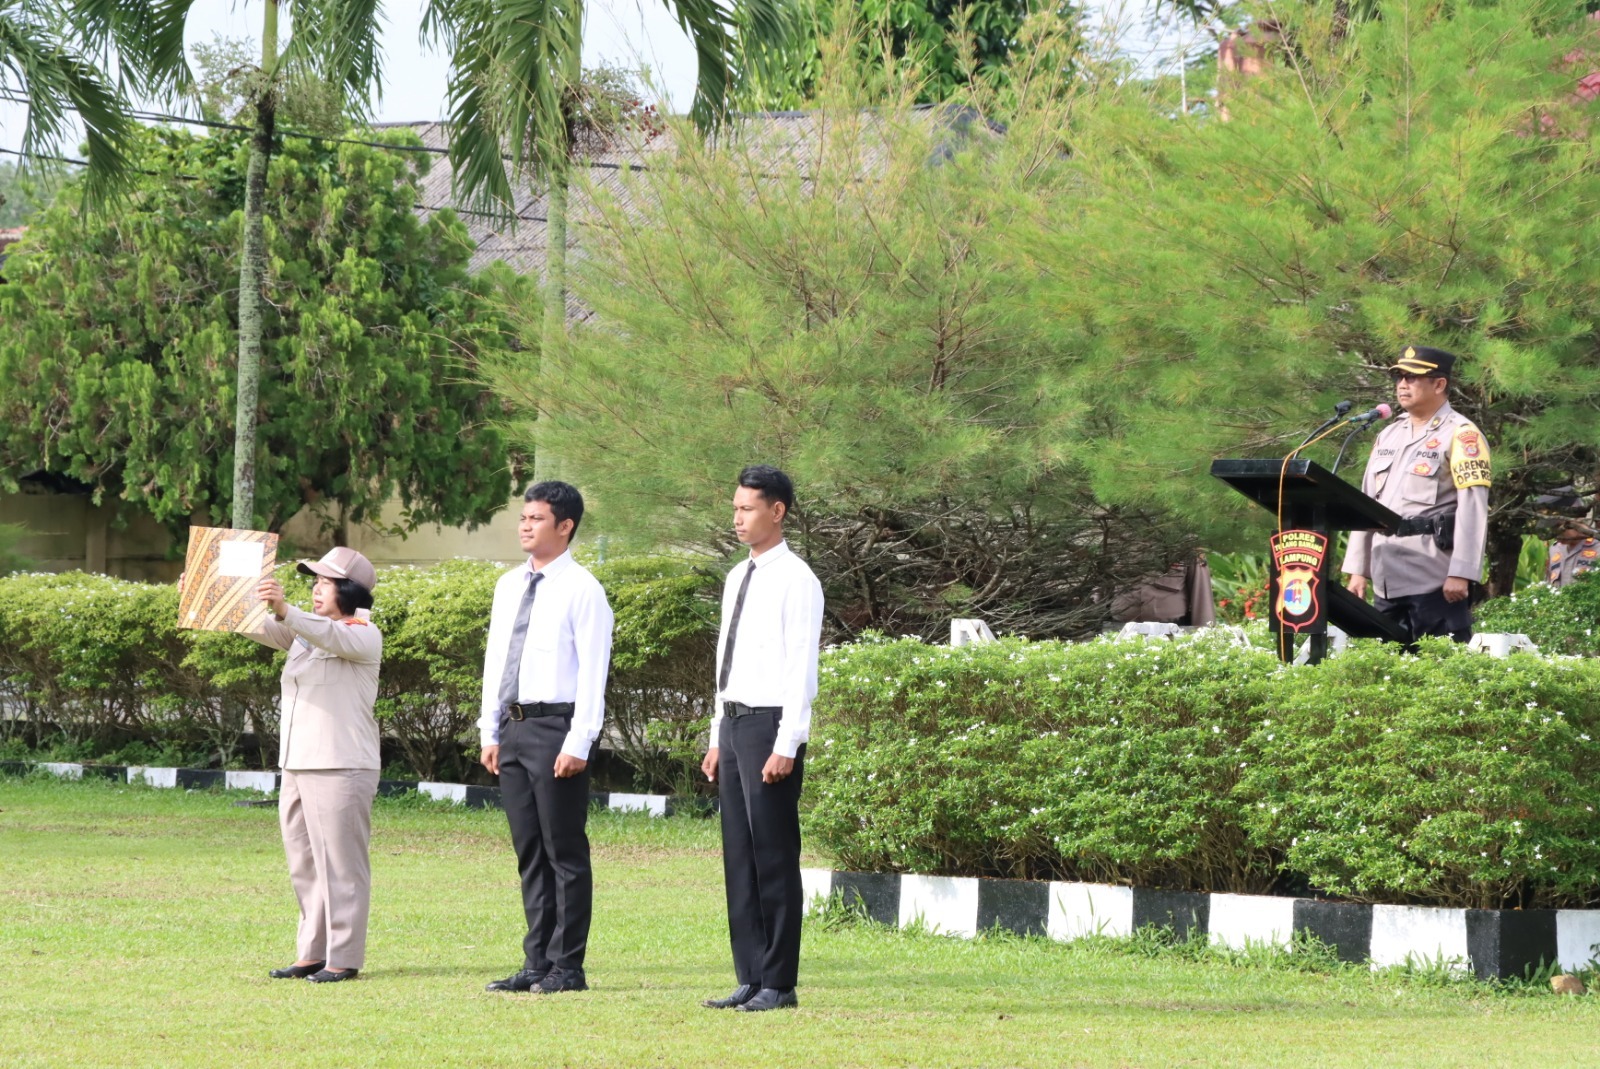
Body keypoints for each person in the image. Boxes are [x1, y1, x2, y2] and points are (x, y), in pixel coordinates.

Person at [479, 482, 614, 995]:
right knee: (530, 851)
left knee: (564, 852)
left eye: (537, 518)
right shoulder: (508, 586)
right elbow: (497, 661)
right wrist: (490, 728)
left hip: (557, 728)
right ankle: (536, 961)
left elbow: (592, 673)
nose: (525, 526)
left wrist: (580, 740)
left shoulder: (583, 589)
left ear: (565, 527)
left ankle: (568, 966)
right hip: (513, 729)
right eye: (523, 517)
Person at [700, 465, 824, 1013]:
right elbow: (724, 665)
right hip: (734, 723)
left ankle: (779, 981)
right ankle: (749, 976)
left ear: (777, 511)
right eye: (734, 509)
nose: (738, 519)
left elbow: (801, 667)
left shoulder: (797, 579)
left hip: (771, 724)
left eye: (747, 509)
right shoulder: (736, 577)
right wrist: (716, 734)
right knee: (739, 856)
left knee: (773, 854)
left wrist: (788, 741)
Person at [251, 547, 383, 983]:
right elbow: (254, 625)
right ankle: (311, 952)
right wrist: (211, 598)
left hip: (341, 767)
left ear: (350, 590)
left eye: (325, 582)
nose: (316, 589)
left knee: (341, 865)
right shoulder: (306, 634)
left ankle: (343, 957)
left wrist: (285, 609)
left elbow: (327, 635)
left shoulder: (362, 634)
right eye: (314, 582)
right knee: (304, 863)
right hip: (298, 764)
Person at [1342, 345, 1491, 643]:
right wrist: (1358, 570)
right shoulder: (1388, 434)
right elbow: (1367, 502)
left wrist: (1462, 572)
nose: (1402, 385)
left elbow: (1473, 510)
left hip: (1435, 577)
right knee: (1385, 672)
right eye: (1399, 377)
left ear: (1439, 384)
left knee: (1440, 673)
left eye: (1412, 378)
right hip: (1387, 577)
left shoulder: (1462, 435)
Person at [1547, 517, 1600, 588]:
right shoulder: (1554, 549)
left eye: (1559, 527)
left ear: (1576, 520)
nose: (1556, 534)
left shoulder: (1597, 545)